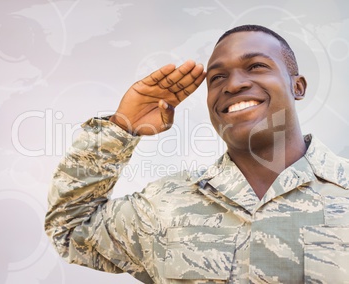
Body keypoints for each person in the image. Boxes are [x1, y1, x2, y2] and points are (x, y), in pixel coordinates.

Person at [45, 25, 349, 283]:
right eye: (217, 78)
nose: (234, 84)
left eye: (256, 66)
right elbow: (70, 229)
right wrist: (120, 129)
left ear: (298, 86)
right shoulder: (165, 205)